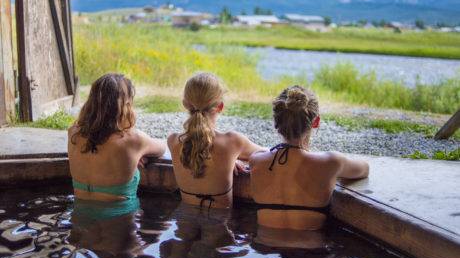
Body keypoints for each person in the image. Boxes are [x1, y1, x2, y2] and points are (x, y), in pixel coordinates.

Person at [249, 85, 369, 232]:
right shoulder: (332, 163)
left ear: (276, 122)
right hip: (310, 252)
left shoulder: (256, 161)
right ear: (316, 122)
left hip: (264, 248)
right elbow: (364, 169)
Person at [167, 72, 265, 210]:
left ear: (185, 104)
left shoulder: (173, 141)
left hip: (184, 223)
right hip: (219, 224)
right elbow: (269, 154)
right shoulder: (232, 142)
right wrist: (232, 158)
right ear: (220, 106)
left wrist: (231, 159)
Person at [68, 73, 166, 204]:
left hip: (79, 217)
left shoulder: (73, 133)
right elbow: (162, 148)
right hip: (119, 220)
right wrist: (138, 153)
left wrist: (135, 154)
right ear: (126, 104)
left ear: (91, 101)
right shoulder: (133, 141)